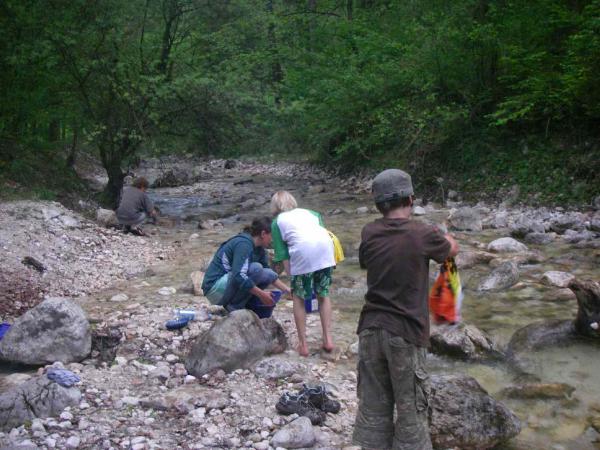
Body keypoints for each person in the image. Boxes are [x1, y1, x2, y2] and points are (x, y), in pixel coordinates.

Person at [352, 169, 459, 450]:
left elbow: (366, 261)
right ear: (411, 199)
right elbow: (450, 251)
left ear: (378, 204)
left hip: (370, 329)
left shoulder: (369, 231)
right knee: (411, 413)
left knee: (373, 409)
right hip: (406, 333)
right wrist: (447, 236)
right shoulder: (424, 233)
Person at [270, 191, 336, 356]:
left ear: (276, 207)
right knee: (323, 294)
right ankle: (328, 340)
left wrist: (294, 276)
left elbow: (282, 254)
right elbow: (321, 235)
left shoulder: (277, 222)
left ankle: (303, 345)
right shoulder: (312, 213)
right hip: (326, 251)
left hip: (303, 253)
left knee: (299, 299)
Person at [201, 216, 290, 313]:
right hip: (214, 289)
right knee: (256, 268)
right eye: (272, 236)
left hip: (227, 285)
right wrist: (262, 294)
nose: (273, 240)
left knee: (267, 273)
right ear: (263, 234)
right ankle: (234, 307)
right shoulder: (243, 244)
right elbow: (239, 275)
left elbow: (269, 275)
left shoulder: (260, 249)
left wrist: (287, 290)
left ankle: (245, 304)